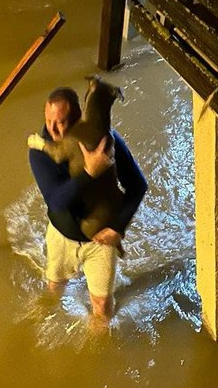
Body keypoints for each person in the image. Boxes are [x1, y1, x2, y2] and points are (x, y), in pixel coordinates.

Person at [29, 87, 147, 319]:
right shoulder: (40, 152)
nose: (53, 129)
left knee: (102, 308)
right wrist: (89, 172)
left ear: (78, 118)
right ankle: (42, 322)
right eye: (48, 120)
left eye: (61, 122)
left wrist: (119, 227)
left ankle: (100, 350)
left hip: (100, 241)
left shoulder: (105, 141)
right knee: (54, 288)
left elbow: (138, 185)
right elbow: (56, 201)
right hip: (62, 236)